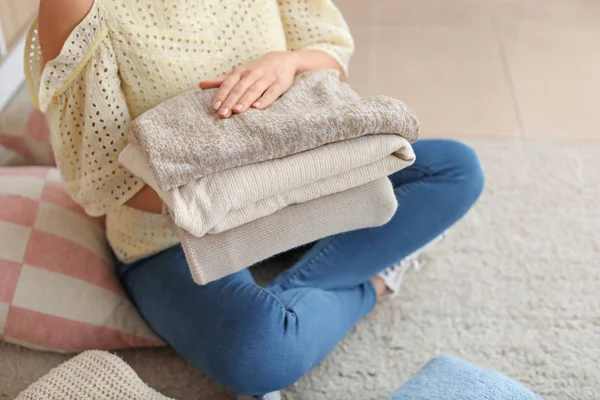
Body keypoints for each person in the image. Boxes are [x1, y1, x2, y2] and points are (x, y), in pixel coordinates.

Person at [30, 0, 484, 398]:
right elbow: (104, 182)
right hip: (174, 233)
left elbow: (329, 49)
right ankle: (376, 281)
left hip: (300, 181)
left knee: (455, 170)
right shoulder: (76, 8)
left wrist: (288, 62)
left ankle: (293, 299)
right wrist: (239, 202)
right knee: (261, 353)